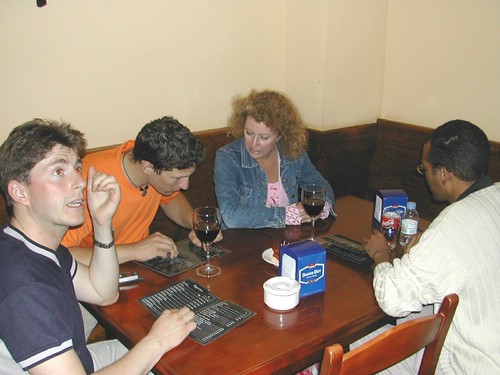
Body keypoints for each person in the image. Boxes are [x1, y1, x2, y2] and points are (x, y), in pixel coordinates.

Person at [0, 119, 196, 374]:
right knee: (160, 351)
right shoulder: (26, 285)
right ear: (19, 192)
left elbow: (104, 293)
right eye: (59, 172)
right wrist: (156, 341)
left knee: (176, 358)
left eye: (76, 168)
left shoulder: (39, 248)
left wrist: (103, 224)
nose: (80, 182)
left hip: (78, 360)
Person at [360, 120, 500, 374]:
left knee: (357, 343)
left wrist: (381, 255)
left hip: (472, 364)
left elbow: (392, 298)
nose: (425, 176)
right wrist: (429, 244)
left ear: (444, 173)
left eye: (425, 169)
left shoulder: (454, 222)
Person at [62, 116, 210, 265]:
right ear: (147, 168)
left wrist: (196, 224)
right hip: (94, 271)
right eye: (177, 178)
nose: (185, 186)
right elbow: (58, 254)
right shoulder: (91, 181)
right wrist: (134, 250)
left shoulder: (149, 159)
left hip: (140, 264)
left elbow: (171, 199)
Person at [214, 89, 334, 229]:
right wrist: (288, 215)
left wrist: (324, 206)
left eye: (264, 137)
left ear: (280, 136)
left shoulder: (293, 153)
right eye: (249, 133)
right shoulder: (228, 157)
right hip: (243, 242)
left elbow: (320, 186)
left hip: (284, 240)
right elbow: (231, 216)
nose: (254, 144)